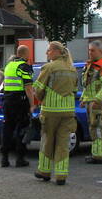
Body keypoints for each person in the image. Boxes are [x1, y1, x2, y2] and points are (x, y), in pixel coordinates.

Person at [33, 41, 77, 185]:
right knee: (63, 144)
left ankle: (44, 171)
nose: (47, 53)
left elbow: (38, 88)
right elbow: (75, 90)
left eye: (49, 50)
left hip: (51, 110)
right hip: (68, 111)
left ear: (57, 51)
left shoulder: (49, 67)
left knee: (47, 140)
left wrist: (40, 100)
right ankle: (61, 175)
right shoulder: (72, 69)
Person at [1, 45, 34, 168]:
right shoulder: (23, 66)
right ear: (26, 54)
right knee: (21, 129)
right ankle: (20, 158)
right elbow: (28, 87)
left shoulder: (9, 66)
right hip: (20, 101)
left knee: (7, 129)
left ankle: (4, 158)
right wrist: (32, 105)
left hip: (8, 101)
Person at [81, 40, 102, 164]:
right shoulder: (89, 65)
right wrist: (83, 98)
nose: (90, 53)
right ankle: (96, 153)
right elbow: (87, 86)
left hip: (98, 103)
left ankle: (99, 155)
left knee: (97, 128)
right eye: (89, 50)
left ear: (100, 51)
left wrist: (97, 99)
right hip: (90, 102)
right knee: (92, 128)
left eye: (93, 50)